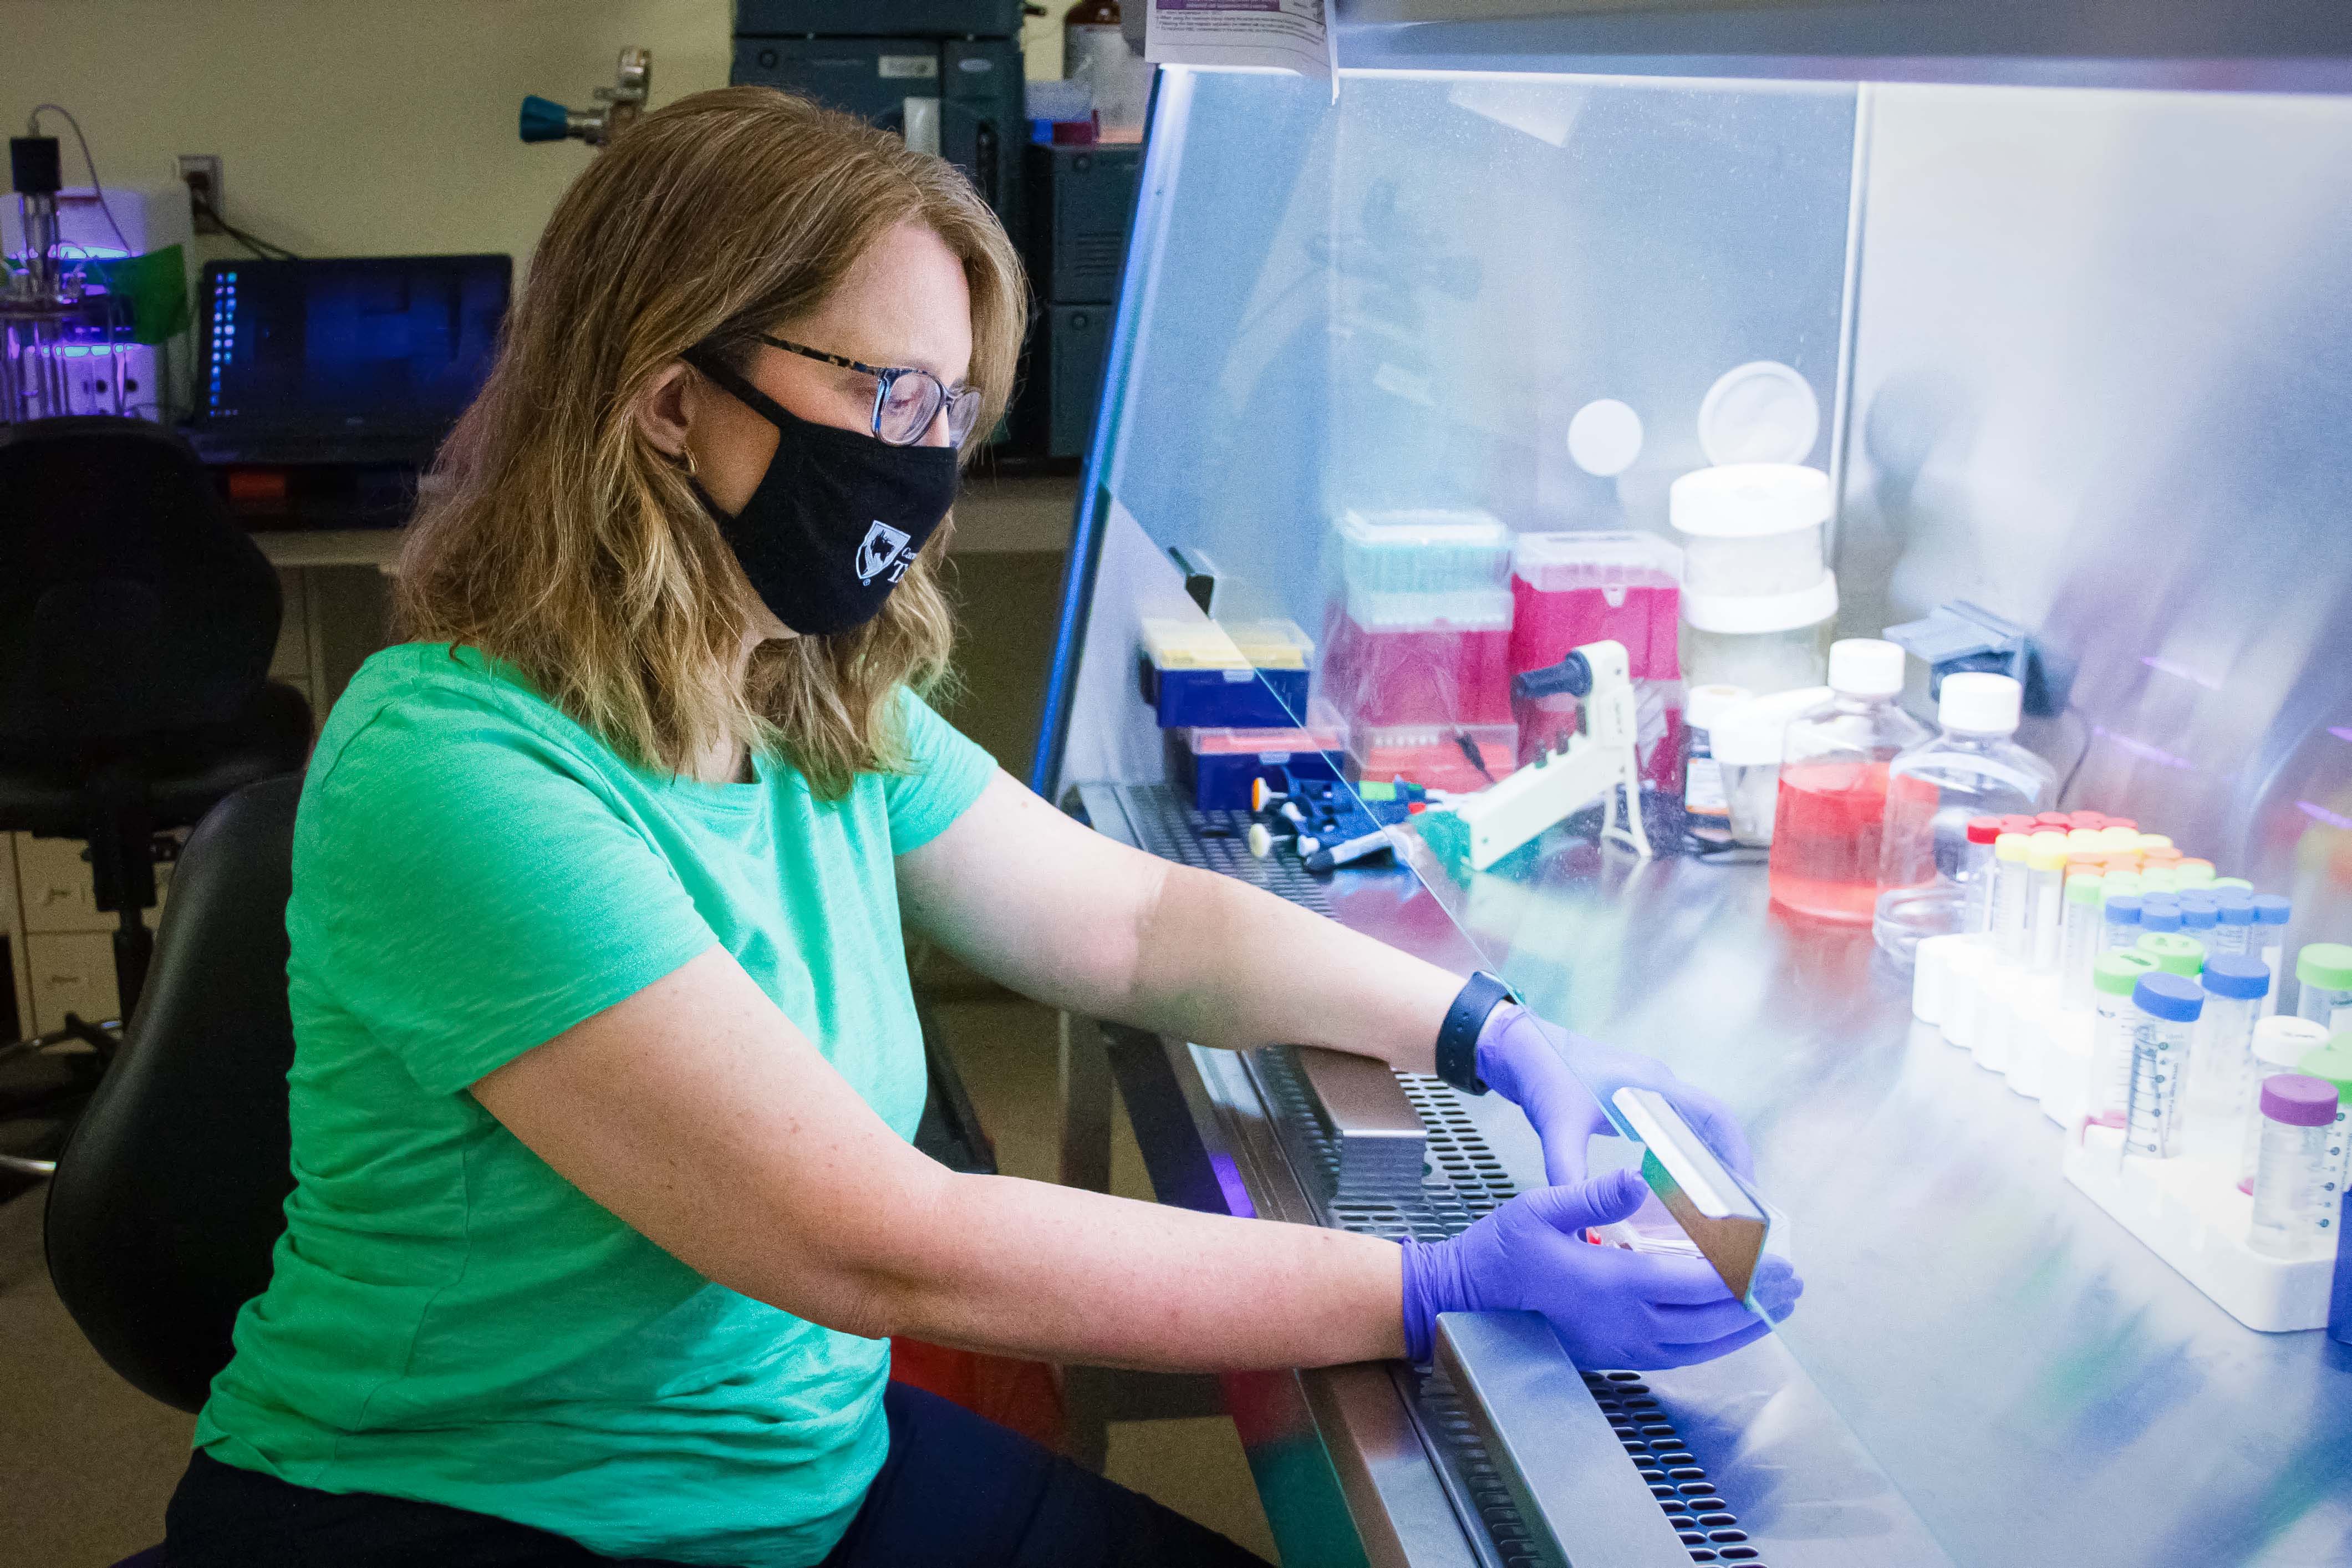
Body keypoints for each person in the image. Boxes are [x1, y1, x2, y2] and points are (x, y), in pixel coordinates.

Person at [162, 87, 1798, 1568]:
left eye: (949, 407)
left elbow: (1136, 925)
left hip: (799, 1462)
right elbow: (889, 1247)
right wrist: (1434, 1285)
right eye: (885, 392)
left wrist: (1493, 1031)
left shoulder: (806, 693)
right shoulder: (458, 771)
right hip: (477, 1511)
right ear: (669, 402)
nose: (925, 463)